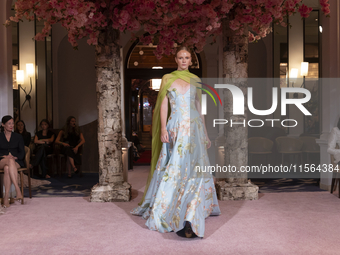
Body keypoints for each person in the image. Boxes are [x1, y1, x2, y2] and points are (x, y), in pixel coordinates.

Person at [130, 47, 221, 238]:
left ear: (191, 61)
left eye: (187, 57)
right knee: (175, 165)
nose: (184, 60)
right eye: (181, 57)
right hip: (176, 125)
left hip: (194, 125)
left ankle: (196, 205)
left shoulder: (196, 80)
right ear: (176, 59)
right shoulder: (167, 78)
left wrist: (204, 131)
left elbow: (198, 105)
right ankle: (171, 204)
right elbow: (163, 104)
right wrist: (163, 128)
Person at [0, 115, 24, 208]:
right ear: (3, 125)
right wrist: (4, 156)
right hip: (1, 160)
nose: (11, 125)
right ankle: (18, 189)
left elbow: (22, 152)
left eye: (12, 123)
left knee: (7, 168)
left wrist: (15, 157)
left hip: (16, 161)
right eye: (9, 123)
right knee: (8, 162)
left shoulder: (18, 137)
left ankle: (6, 198)